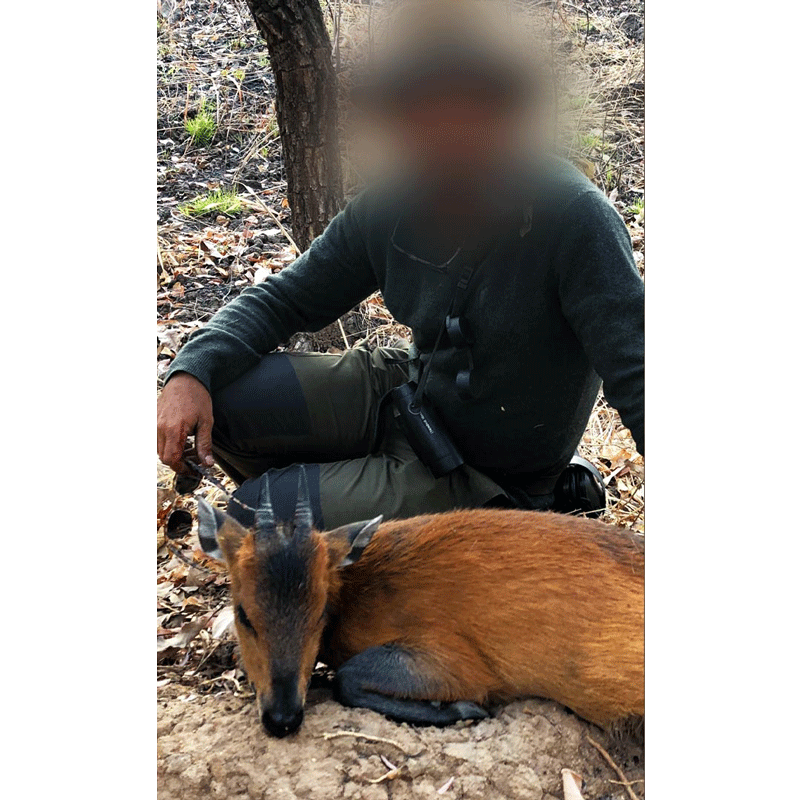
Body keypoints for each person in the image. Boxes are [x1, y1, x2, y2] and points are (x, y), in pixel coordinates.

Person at [156, 3, 643, 530]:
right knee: (223, 403)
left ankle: (443, 528)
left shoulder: (572, 217)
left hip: (490, 475)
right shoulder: (394, 204)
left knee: (257, 513)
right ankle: (346, 507)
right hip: (410, 395)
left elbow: (636, 372)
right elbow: (285, 298)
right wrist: (192, 367)